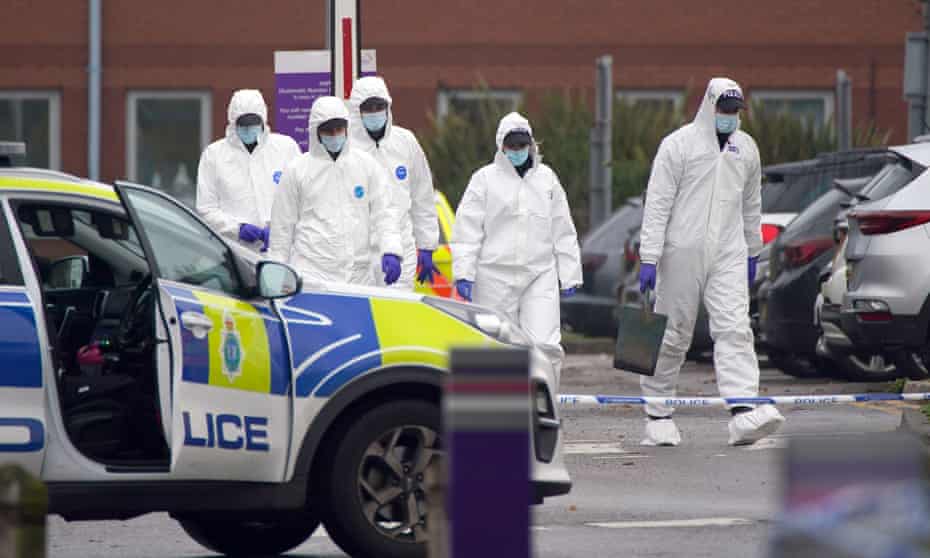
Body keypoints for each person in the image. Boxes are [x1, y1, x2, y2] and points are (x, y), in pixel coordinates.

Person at [637, 77, 785, 447]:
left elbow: (752, 204)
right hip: (680, 251)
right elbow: (657, 204)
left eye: (736, 112)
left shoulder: (746, 149)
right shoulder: (678, 146)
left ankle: (742, 412)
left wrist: (753, 250)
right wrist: (649, 256)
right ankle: (658, 414)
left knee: (735, 327)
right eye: (724, 110)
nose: (730, 117)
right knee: (673, 332)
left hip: (729, 252)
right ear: (708, 106)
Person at [451, 112, 582, 383]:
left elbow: (563, 229)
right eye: (512, 146)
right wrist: (463, 273)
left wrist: (570, 273)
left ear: (531, 145)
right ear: (501, 147)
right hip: (493, 276)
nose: (517, 151)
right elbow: (467, 231)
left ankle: (544, 410)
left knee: (545, 345)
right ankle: (492, 413)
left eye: (522, 145)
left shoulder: (547, 179)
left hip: (539, 273)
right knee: (493, 346)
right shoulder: (484, 180)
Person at [266, 96, 403, 287]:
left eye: (339, 129)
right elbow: (282, 230)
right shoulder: (297, 170)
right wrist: (274, 278)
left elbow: (385, 212)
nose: (335, 135)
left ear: (347, 129)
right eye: (328, 130)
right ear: (316, 132)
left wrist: (391, 249)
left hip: (358, 276)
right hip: (312, 275)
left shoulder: (365, 165)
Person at [348, 76, 440, 290]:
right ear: (356, 111)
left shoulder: (405, 142)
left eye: (379, 106)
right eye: (368, 107)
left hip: (401, 251)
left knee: (397, 315)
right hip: (358, 255)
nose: (375, 112)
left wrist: (426, 245)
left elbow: (422, 196)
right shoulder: (347, 149)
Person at [196, 89, 301, 253]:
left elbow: (301, 202)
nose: (249, 128)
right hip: (234, 252)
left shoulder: (285, 149)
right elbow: (206, 210)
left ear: (263, 121)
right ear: (233, 123)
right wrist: (237, 229)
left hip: (282, 252)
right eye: (243, 124)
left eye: (253, 123)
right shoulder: (214, 155)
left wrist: (281, 231)